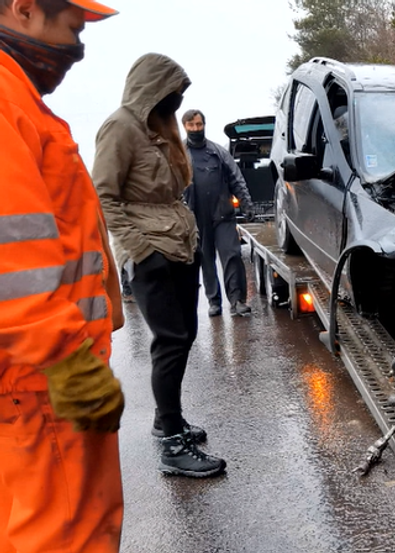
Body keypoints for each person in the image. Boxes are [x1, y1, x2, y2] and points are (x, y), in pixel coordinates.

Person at [0, 0, 126, 551]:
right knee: (66, 536)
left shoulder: (19, 100)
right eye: (74, 28)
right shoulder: (5, 102)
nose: (78, 48)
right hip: (42, 386)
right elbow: (12, 260)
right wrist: (68, 363)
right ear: (23, 8)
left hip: (41, 381)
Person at [93, 53, 226, 478]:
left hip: (179, 244)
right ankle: (172, 444)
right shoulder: (120, 127)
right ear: (151, 89)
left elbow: (173, 190)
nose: (175, 103)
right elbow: (105, 197)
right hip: (150, 250)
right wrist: (139, 250)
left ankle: (166, 418)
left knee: (184, 336)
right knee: (169, 341)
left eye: (179, 96)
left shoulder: (161, 129)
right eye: (170, 94)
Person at [181, 109, 253, 317]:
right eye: (191, 125)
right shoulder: (178, 154)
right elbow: (170, 186)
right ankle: (214, 301)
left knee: (232, 256)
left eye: (198, 125)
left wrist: (246, 205)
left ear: (204, 125)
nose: (195, 129)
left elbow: (236, 178)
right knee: (205, 261)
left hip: (222, 214)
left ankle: (237, 300)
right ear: (184, 126)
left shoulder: (218, 152)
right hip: (195, 217)